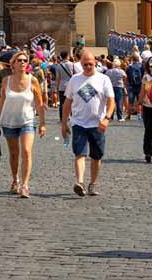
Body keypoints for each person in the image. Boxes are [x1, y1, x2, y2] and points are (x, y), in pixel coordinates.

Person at [60, 48, 114, 197]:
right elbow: (67, 103)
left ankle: (93, 184)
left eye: (90, 64)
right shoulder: (75, 79)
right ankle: (80, 182)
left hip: (97, 124)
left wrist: (107, 118)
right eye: (85, 65)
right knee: (80, 154)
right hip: (79, 123)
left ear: (95, 63)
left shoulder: (104, 79)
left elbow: (111, 101)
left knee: (96, 156)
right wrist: (64, 123)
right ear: (80, 64)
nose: (88, 67)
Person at [0, 49, 45, 198]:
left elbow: (39, 104)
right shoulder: (6, 81)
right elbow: (1, 102)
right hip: (9, 122)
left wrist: (42, 123)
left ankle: (25, 185)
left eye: (24, 60)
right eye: (19, 60)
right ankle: (15, 180)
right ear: (13, 64)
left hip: (27, 121)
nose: (22, 62)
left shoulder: (33, 80)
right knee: (14, 154)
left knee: (26, 151)